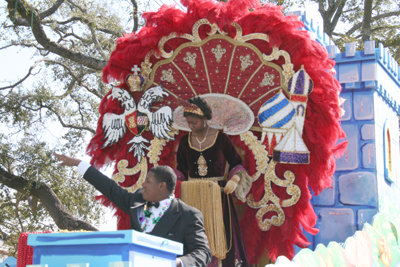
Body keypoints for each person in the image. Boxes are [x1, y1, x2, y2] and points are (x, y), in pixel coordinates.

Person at [53, 152, 212, 267]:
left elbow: (203, 252)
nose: (143, 185)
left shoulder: (188, 215)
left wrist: (178, 263)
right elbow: (110, 188)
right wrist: (79, 164)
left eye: (148, 182)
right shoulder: (136, 201)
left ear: (162, 186)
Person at [176, 97, 251, 267]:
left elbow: (237, 162)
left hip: (218, 197)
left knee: (221, 238)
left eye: (194, 122)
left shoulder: (221, 138)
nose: (191, 126)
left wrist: (235, 178)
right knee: (193, 238)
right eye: (188, 123)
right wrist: (169, 181)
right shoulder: (184, 142)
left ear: (204, 119)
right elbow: (180, 170)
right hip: (192, 198)